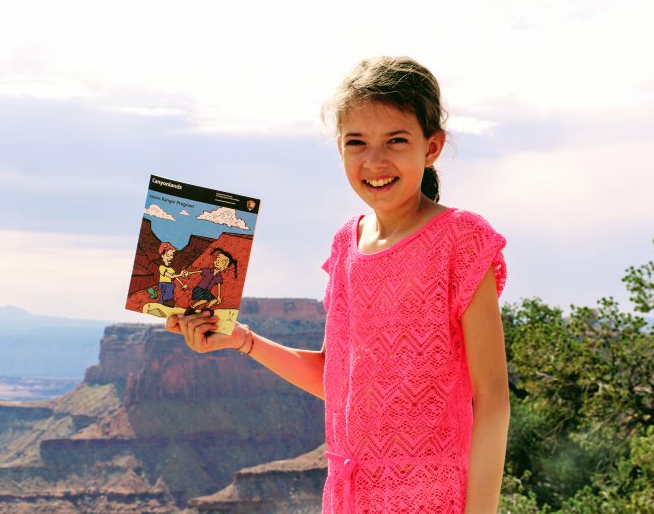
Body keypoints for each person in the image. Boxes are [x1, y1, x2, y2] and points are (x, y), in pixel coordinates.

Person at [167, 56, 510, 513]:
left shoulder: (461, 240)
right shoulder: (346, 244)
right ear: (340, 149)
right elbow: (337, 380)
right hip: (348, 497)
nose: (374, 161)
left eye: (396, 140)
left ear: (432, 147)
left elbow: (493, 400)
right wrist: (243, 341)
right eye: (356, 143)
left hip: (434, 497)